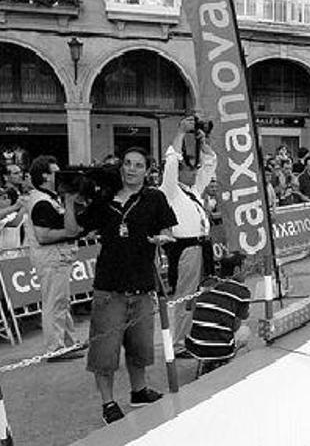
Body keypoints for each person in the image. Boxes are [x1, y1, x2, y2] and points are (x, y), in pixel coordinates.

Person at [75, 147, 178, 425]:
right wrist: (73, 195)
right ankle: (108, 403)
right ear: (122, 167)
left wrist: (162, 239)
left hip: (143, 285)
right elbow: (78, 227)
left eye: (138, 165)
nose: (132, 169)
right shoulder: (105, 198)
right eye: (128, 164)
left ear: (147, 170)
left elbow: (168, 230)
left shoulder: (154, 198)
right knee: (105, 352)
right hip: (109, 288)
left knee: (140, 348)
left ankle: (139, 390)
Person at [159, 116, 217, 358]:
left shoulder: (193, 191)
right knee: (184, 296)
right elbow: (171, 161)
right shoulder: (170, 191)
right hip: (185, 248)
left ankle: (191, 334)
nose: (194, 172)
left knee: (198, 295)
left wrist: (203, 142)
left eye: (194, 169)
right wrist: (181, 133)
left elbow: (210, 164)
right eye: (189, 168)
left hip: (201, 247)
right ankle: (179, 341)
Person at [24, 156, 86, 361]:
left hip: (57, 258)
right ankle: (55, 347)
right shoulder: (41, 201)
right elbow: (43, 235)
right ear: (45, 176)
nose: (60, 177)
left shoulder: (48, 198)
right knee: (54, 303)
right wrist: (71, 233)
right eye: (55, 172)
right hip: (51, 258)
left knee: (62, 302)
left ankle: (68, 343)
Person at [185, 251, 251, 376]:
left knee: (206, 326)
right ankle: (224, 363)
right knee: (245, 331)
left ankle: (208, 361)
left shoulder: (207, 283)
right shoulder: (243, 292)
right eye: (246, 268)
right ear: (237, 270)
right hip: (221, 347)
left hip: (194, 345)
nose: (248, 271)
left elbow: (188, 307)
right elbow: (235, 325)